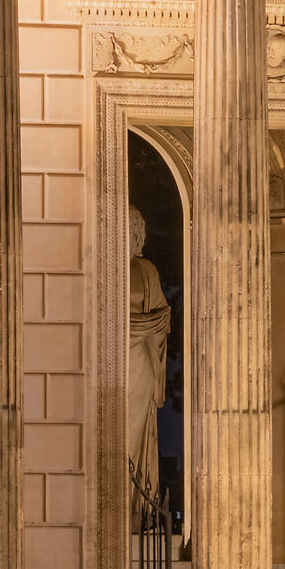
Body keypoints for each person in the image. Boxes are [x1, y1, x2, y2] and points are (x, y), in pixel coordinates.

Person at [127, 208, 172, 514]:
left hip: (141, 362)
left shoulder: (147, 271)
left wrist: (132, 326)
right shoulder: (101, 267)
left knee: (134, 429)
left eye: (131, 233)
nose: (126, 239)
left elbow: (162, 316)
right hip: (110, 361)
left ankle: (134, 505)